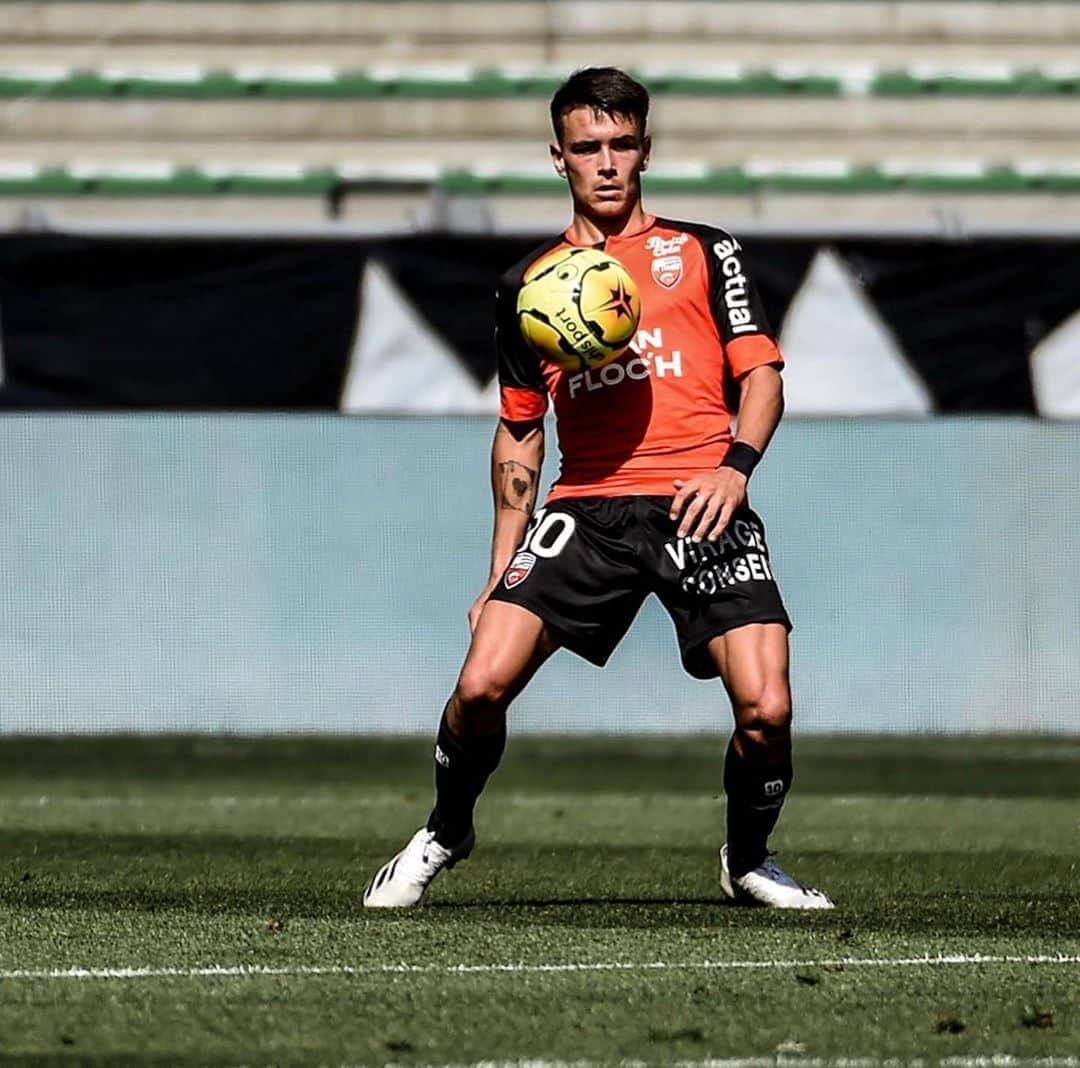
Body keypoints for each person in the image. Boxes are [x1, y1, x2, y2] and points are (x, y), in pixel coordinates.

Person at [364, 66, 832, 910]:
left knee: (766, 710)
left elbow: (761, 377)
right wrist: (497, 571)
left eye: (622, 144)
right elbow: (519, 428)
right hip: (585, 507)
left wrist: (736, 466)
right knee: (479, 686)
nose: (607, 163)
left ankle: (748, 857)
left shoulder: (704, 250)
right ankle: (445, 828)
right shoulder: (527, 285)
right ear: (559, 158)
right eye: (588, 148)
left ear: (646, 149)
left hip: (702, 499)